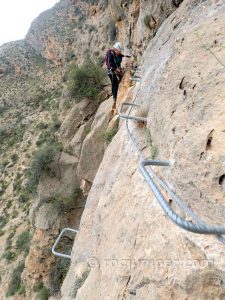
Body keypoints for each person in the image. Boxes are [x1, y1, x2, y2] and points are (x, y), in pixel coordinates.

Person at [105, 42, 131, 108]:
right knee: (115, 84)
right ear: (116, 49)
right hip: (111, 71)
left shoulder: (114, 53)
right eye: (118, 51)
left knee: (117, 82)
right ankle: (115, 98)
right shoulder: (110, 54)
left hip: (113, 70)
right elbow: (110, 64)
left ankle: (116, 96)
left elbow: (120, 55)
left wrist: (126, 56)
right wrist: (117, 69)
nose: (119, 53)